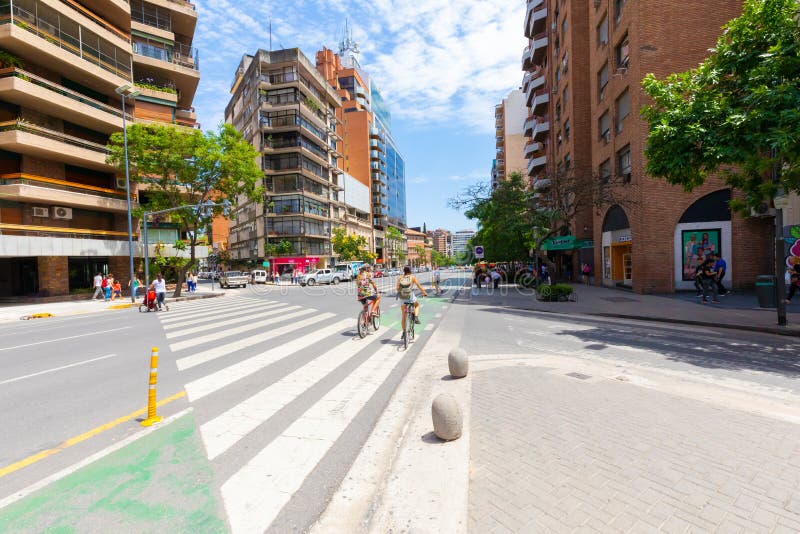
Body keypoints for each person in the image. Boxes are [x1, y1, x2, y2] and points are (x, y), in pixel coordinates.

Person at [396, 266, 428, 340]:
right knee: (416, 305)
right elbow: (419, 286)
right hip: (410, 296)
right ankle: (416, 317)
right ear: (410, 271)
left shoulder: (400, 278)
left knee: (403, 315)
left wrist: (402, 290)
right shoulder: (412, 277)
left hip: (402, 297)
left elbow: (397, 288)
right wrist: (424, 292)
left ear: (403, 271)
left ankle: (404, 332)